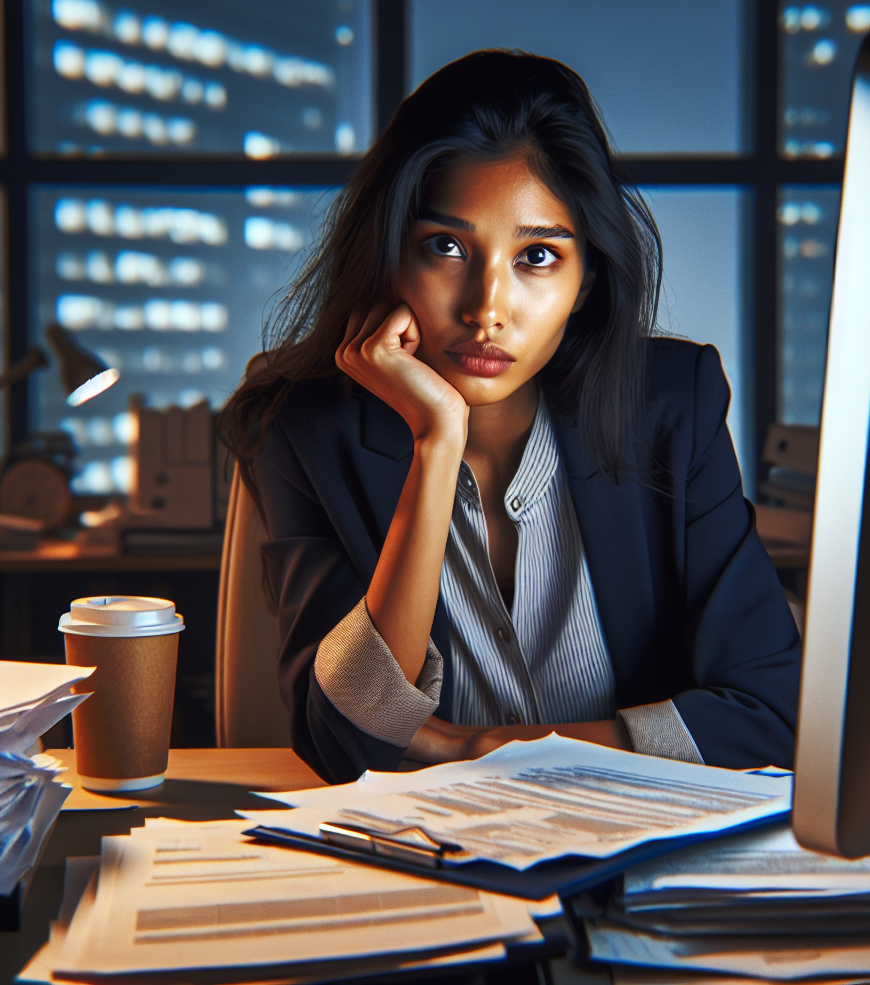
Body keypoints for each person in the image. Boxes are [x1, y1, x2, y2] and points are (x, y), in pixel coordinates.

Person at [220, 50, 801, 785]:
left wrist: (484, 748)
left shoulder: (671, 405)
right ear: (389, 255)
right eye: (447, 247)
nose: (485, 308)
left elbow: (771, 712)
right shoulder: (305, 430)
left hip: (634, 846)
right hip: (425, 862)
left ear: (586, 279)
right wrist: (436, 444)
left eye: (536, 256)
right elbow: (347, 743)